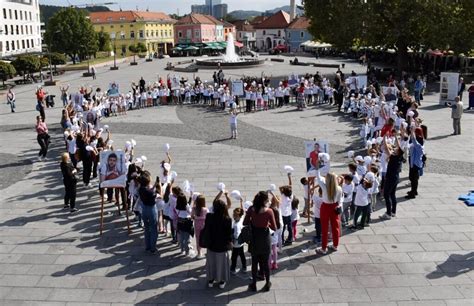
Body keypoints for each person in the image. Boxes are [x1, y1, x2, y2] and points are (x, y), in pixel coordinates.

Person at [243, 191, 276, 292]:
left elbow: (245, 222)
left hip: (254, 239)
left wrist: (253, 221)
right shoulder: (269, 211)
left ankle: (253, 284)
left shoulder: (251, 209)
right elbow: (274, 227)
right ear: (264, 201)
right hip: (265, 239)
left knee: (254, 262)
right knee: (266, 263)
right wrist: (267, 224)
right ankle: (267, 283)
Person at [205, 199, 232, 289]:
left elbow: (207, 229)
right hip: (222, 246)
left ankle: (211, 280)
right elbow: (228, 234)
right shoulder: (227, 219)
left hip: (211, 245)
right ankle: (221, 281)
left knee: (211, 263)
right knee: (221, 265)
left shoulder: (209, 216)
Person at [315, 170, 343, 255]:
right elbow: (340, 200)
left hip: (325, 207)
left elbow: (318, 177)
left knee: (324, 228)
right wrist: (339, 205)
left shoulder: (324, 187)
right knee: (335, 227)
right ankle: (335, 245)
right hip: (334, 207)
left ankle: (324, 248)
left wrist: (317, 167)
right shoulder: (339, 188)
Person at [380, 135, 404, 220]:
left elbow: (386, 149)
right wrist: (396, 138)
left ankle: (388, 213)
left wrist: (384, 139)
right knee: (392, 194)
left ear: (397, 152)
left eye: (396, 150)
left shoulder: (394, 157)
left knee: (387, 195)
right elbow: (400, 147)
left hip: (390, 178)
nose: (395, 149)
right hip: (396, 178)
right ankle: (393, 212)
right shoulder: (400, 157)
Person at [138, 172, 159, 254]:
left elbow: (148, 191)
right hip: (151, 209)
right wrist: (156, 187)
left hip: (144, 209)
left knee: (147, 228)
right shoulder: (150, 193)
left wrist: (154, 186)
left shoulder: (141, 189)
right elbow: (154, 194)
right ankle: (153, 248)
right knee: (153, 229)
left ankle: (147, 246)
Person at [406, 127, 425, 199]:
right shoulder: (418, 145)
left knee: (414, 179)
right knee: (413, 178)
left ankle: (413, 193)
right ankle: (414, 191)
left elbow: (414, 140)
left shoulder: (419, 146)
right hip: (414, 163)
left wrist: (412, 131)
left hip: (415, 164)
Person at [230, 207, 246, 274]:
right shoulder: (241, 220)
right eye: (234, 215)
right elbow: (242, 212)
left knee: (234, 257)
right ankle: (244, 267)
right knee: (242, 255)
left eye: (235, 216)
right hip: (241, 243)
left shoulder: (236, 225)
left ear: (239, 216)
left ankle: (233, 269)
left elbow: (236, 236)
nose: (234, 217)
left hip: (236, 244)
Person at [192, 194, 208, 259]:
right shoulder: (205, 209)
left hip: (197, 225)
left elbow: (192, 216)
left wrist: (196, 218)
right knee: (205, 238)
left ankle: (199, 253)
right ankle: (207, 251)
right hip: (204, 226)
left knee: (198, 239)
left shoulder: (194, 208)